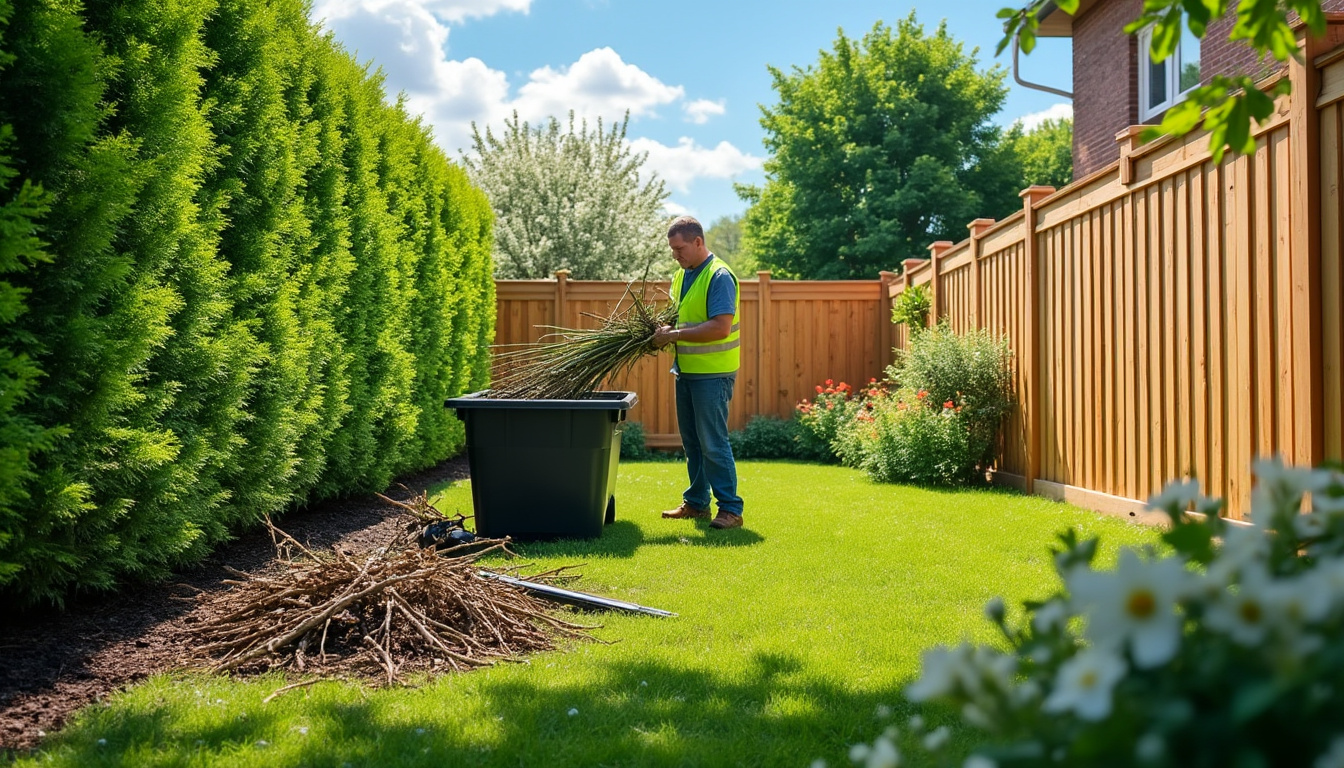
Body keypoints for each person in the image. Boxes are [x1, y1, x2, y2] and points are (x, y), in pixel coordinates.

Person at [651, 216, 744, 530]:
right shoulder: (681, 276)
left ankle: (730, 510)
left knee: (713, 442)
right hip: (687, 371)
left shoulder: (719, 276)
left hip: (713, 374)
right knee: (692, 443)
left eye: (679, 249)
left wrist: (674, 335)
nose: (675, 255)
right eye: (672, 250)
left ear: (698, 242)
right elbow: (679, 320)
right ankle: (697, 503)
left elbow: (719, 327)